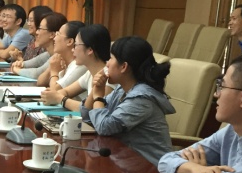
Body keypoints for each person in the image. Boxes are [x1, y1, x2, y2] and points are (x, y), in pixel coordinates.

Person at [87, 36, 175, 165]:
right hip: (127, 162)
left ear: (123, 66)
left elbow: (104, 127)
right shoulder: (121, 90)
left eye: (111, 58)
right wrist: (96, 89)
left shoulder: (141, 99)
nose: (107, 64)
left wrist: (98, 97)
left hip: (151, 168)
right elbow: (88, 117)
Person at [41, 24, 110, 119]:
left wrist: (59, 98)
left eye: (76, 45)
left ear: (90, 50)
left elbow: (89, 110)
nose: (73, 50)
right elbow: (66, 91)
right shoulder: (89, 73)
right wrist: (53, 95)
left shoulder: (108, 77)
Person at [9, 12, 66, 79]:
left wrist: (16, 70)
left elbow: (37, 74)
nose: (37, 32)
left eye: (40, 29)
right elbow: (28, 63)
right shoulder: (47, 54)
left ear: (52, 34)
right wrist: (19, 64)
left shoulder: (58, 56)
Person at [38, 20, 87, 91]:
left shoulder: (79, 65)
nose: (54, 38)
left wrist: (54, 72)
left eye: (58, 34)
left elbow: (55, 91)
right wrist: (51, 67)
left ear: (69, 41)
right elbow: (40, 82)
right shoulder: (61, 60)